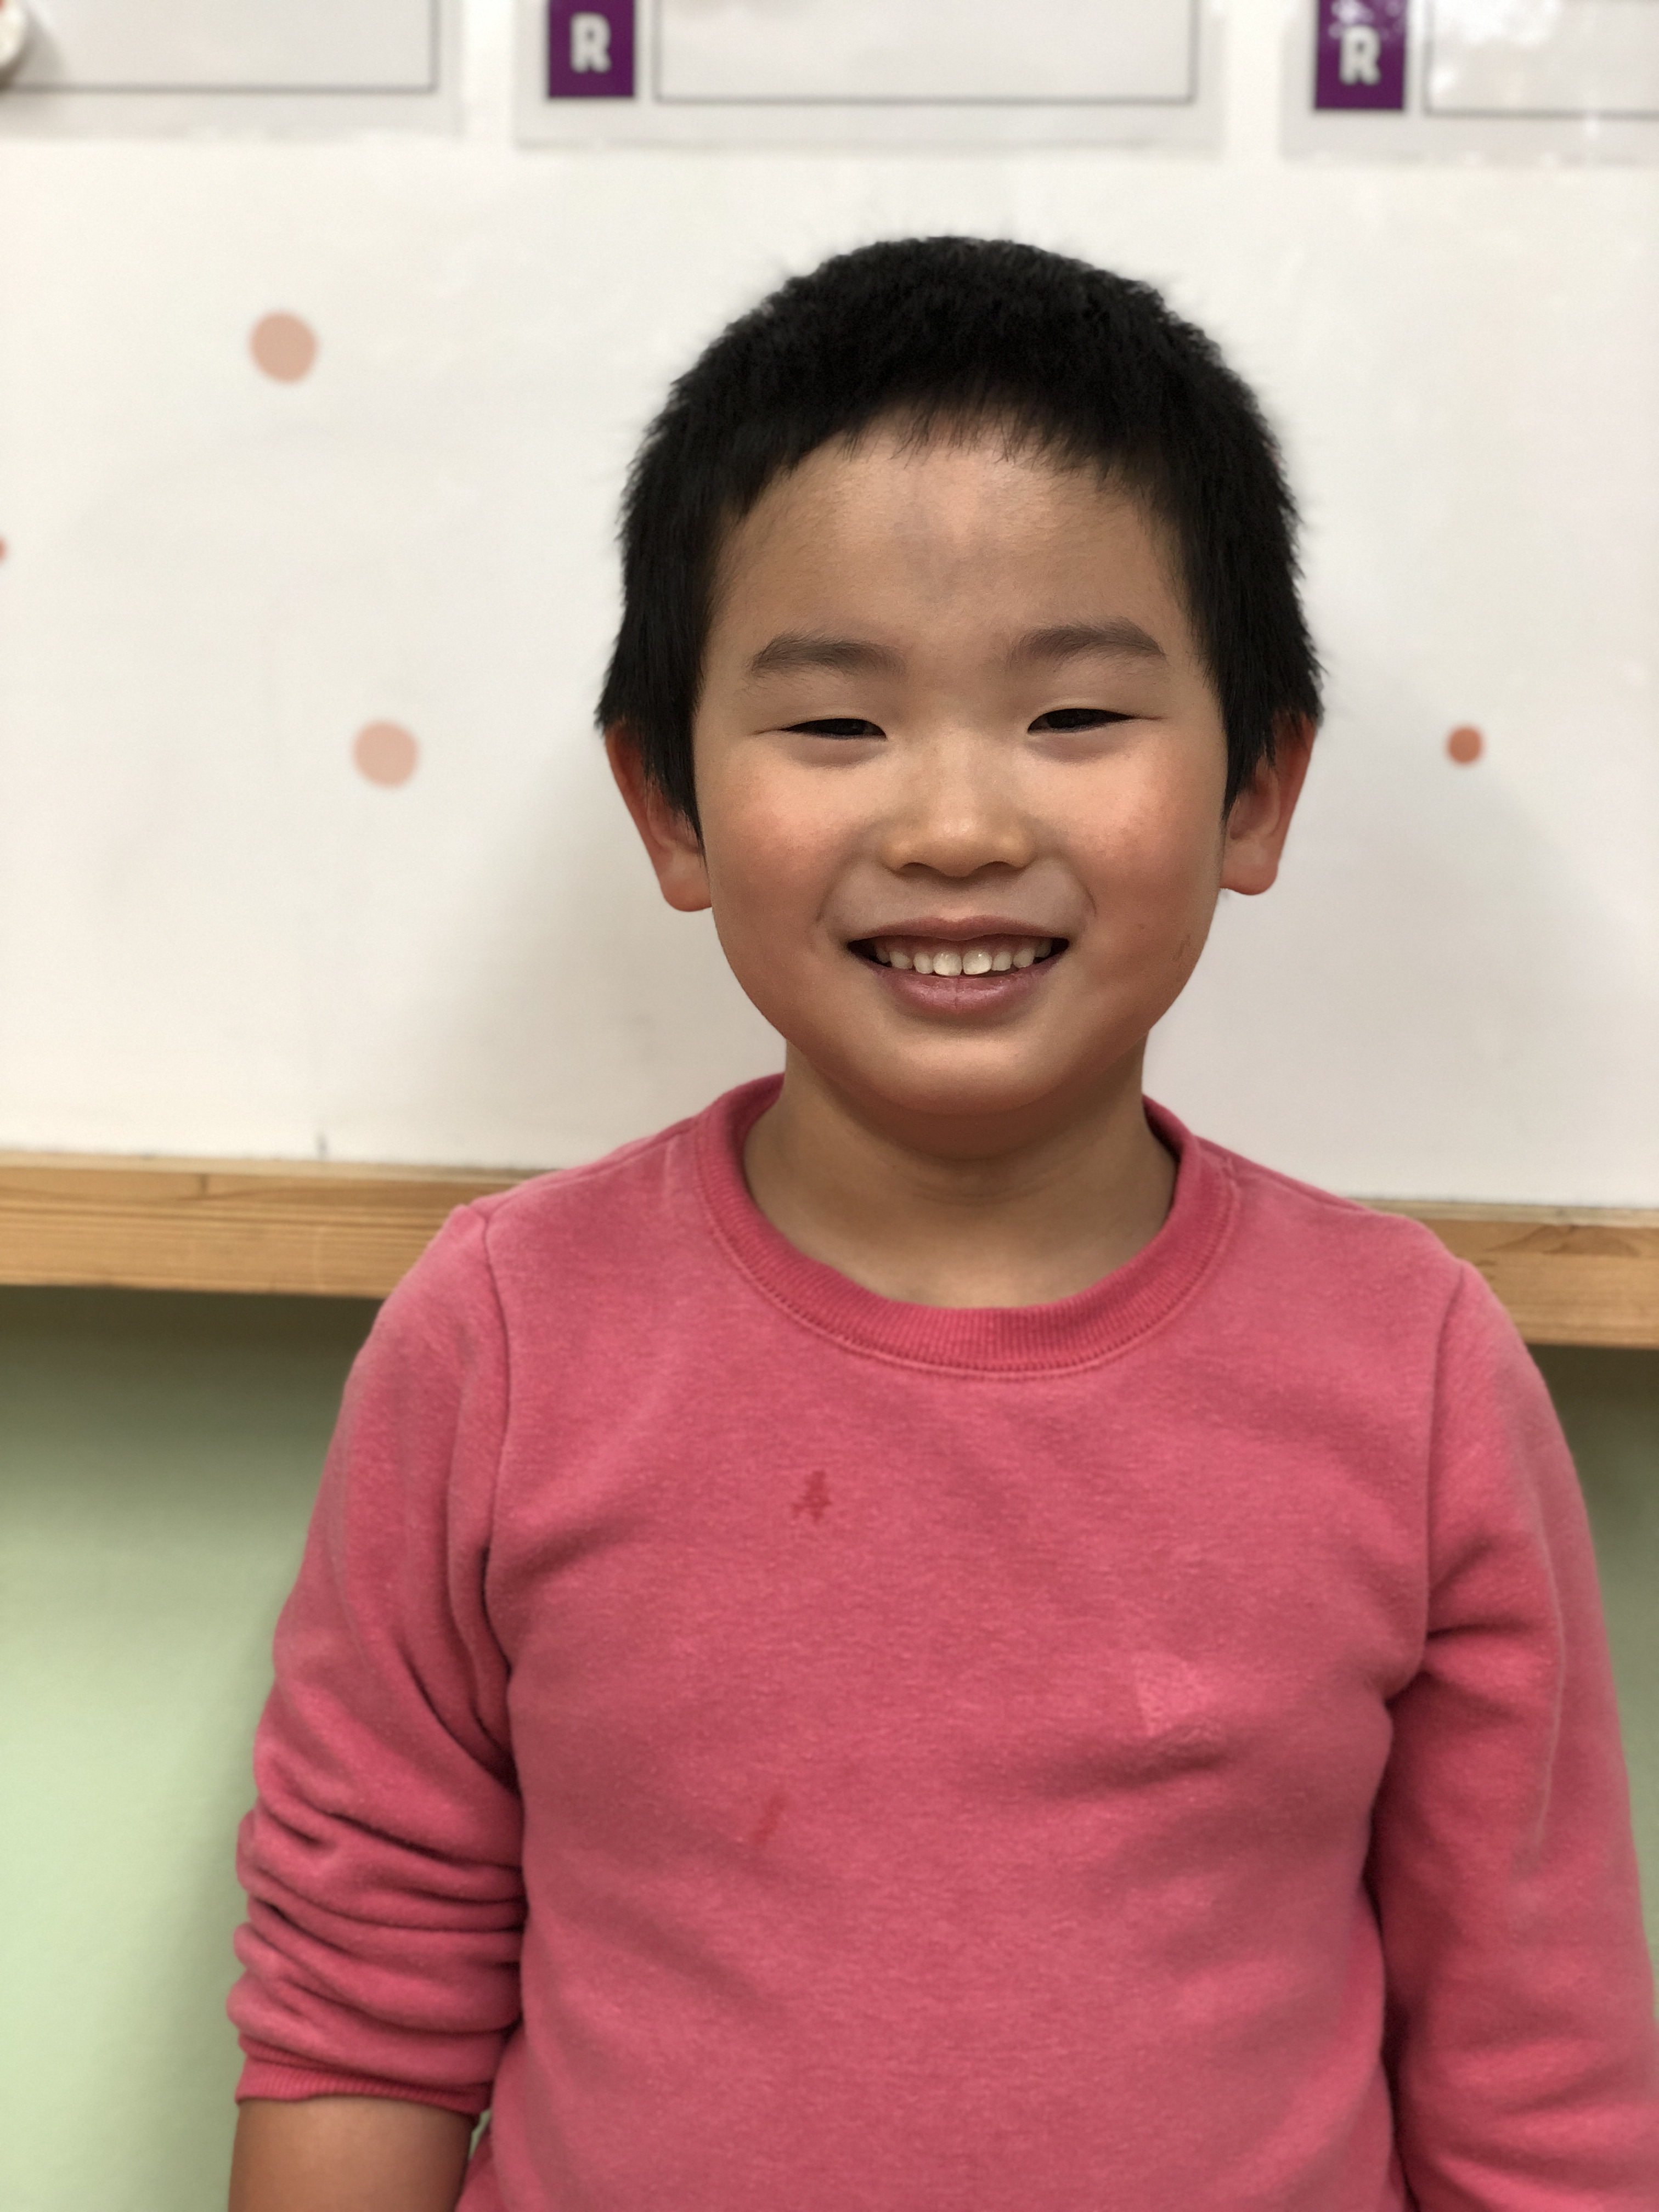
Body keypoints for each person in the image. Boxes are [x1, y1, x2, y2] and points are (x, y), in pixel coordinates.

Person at [225, 236, 1659, 2211]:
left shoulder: (1412, 1371)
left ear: (1257, 789)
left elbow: (1539, 2080)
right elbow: (360, 2007)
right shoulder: (501, 1338)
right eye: (836, 728)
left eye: (1074, 716)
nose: (959, 825)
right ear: (668, 805)